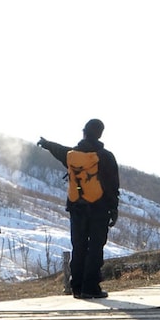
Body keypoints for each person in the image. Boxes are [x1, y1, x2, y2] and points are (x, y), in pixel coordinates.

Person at [37, 119, 120, 299]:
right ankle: (91, 288)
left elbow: (58, 149)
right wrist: (114, 209)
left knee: (79, 246)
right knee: (95, 247)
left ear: (83, 132)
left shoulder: (71, 155)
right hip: (99, 208)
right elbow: (113, 186)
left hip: (77, 207)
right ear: (100, 134)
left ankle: (77, 287)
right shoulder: (106, 157)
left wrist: (46, 144)